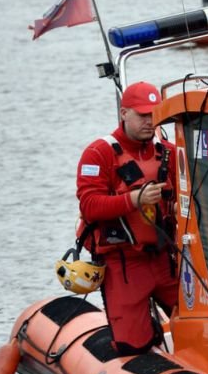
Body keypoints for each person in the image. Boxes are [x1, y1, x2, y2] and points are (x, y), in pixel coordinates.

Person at [76, 81, 178, 354]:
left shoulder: (168, 151)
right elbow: (89, 206)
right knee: (133, 346)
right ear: (124, 113)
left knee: (201, 326)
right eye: (142, 115)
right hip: (124, 264)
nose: (150, 121)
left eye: (154, 115)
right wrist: (134, 199)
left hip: (166, 259)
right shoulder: (98, 153)